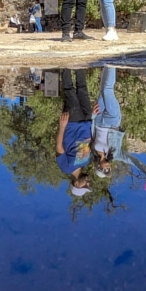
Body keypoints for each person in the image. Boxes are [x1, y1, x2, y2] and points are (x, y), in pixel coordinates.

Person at [91, 66, 146, 190]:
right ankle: (112, 63)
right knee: (107, 90)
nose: (108, 167)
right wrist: (145, 170)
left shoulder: (93, 150)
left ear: (99, 167)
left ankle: (106, 64)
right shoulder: (116, 155)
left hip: (99, 119)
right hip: (113, 121)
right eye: (109, 169)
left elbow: (92, 133)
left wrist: (93, 116)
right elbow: (130, 160)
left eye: (106, 169)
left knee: (102, 90)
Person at [56, 69, 94, 197]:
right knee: (83, 90)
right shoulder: (86, 162)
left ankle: (66, 67)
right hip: (87, 121)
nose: (88, 183)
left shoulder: (66, 168)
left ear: (76, 184)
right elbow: (90, 142)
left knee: (70, 92)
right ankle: (79, 65)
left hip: (72, 124)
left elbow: (59, 148)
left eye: (85, 186)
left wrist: (62, 127)